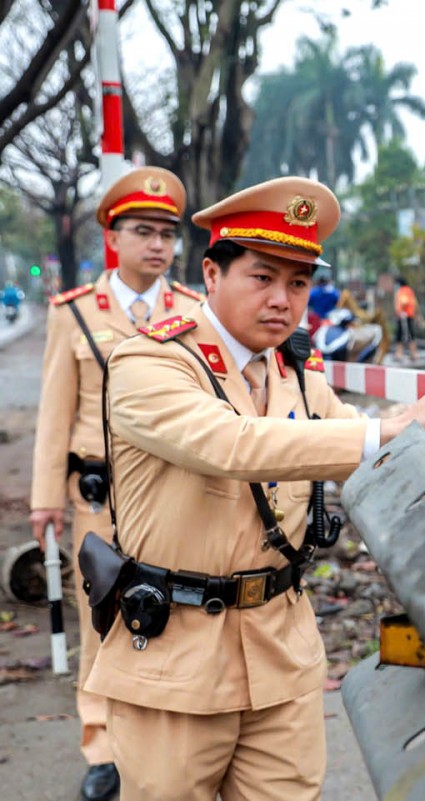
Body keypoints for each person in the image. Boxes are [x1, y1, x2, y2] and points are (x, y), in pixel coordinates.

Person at [84, 176, 425, 801]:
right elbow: (231, 444)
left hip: (280, 653)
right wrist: (390, 430)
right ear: (211, 274)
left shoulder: (295, 373)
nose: (283, 300)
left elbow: (361, 447)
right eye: (263, 277)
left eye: (298, 283)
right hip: (175, 659)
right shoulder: (149, 363)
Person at [29, 166, 198, 801]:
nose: (157, 245)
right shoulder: (73, 315)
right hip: (98, 492)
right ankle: (102, 747)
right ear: (114, 237)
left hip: (174, 489)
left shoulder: (191, 310)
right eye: (143, 232)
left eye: (166, 234)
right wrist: (45, 497)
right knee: (99, 613)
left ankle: (163, 736)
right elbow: (54, 412)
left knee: (172, 613)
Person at [393, 275, 420, 362]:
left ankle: (408, 354)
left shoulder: (403, 290)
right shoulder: (409, 290)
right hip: (409, 315)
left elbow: (404, 301)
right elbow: (415, 303)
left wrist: (401, 310)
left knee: (404, 335)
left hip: (404, 316)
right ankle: (411, 354)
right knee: (408, 335)